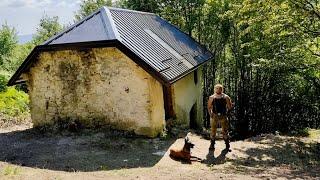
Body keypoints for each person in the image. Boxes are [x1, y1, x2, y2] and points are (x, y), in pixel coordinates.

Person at [207, 84, 233, 151]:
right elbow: (209, 107)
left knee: (225, 131)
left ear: (222, 89)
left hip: (223, 115)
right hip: (214, 115)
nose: (218, 90)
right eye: (217, 88)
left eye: (220, 88)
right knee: (213, 131)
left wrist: (228, 111)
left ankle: (227, 145)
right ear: (215, 89)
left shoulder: (226, 97)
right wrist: (210, 114)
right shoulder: (211, 97)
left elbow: (229, 107)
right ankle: (212, 145)